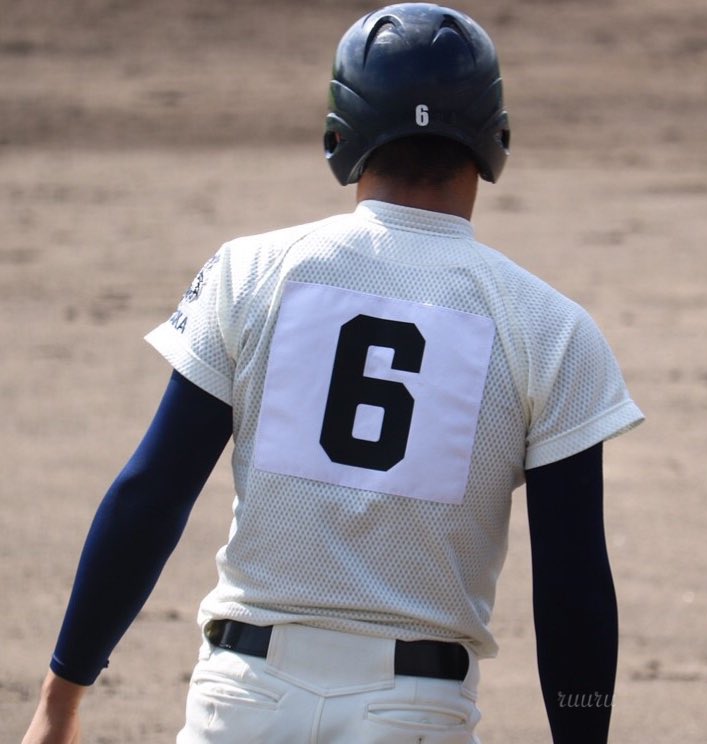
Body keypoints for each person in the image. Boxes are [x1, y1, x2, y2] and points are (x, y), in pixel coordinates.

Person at [23, 4, 644, 743]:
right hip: (416, 712)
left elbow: (151, 493)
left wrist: (61, 695)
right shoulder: (549, 328)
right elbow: (572, 582)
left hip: (241, 702)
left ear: (339, 138)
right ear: (493, 140)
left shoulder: (250, 273)